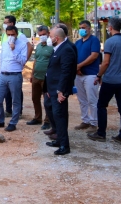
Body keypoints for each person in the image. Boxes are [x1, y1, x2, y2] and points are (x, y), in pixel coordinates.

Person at [87, 17, 121, 145]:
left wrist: (99, 75)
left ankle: (101, 133)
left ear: (111, 28)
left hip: (110, 80)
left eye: (108, 27)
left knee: (101, 105)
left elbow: (106, 62)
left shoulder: (110, 42)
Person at [43, 27, 77, 155]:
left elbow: (66, 72)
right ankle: (58, 140)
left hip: (59, 90)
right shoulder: (57, 48)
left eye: (50, 35)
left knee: (60, 116)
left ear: (56, 38)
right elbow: (51, 70)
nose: (48, 38)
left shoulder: (66, 49)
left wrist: (61, 90)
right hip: (52, 89)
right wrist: (47, 88)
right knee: (54, 114)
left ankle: (64, 145)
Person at [0, 25, 28, 132]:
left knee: (15, 101)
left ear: (16, 34)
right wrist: (0, 72)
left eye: (12, 34)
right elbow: (2, 59)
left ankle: (13, 122)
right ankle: (0, 120)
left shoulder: (22, 45)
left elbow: (23, 60)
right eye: (8, 35)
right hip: (3, 75)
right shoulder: (4, 44)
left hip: (15, 75)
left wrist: (13, 50)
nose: (11, 37)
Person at [1, 15, 32, 117]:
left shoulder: (20, 36)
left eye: (6, 23)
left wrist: (24, 62)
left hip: (16, 67)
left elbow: (29, 47)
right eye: (4, 22)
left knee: (16, 91)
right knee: (7, 91)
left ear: (12, 23)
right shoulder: (5, 35)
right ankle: (9, 110)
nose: (4, 24)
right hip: (6, 67)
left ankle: (18, 111)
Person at [74, 20, 101, 133]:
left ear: (89, 28)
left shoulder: (94, 40)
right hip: (79, 75)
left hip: (90, 74)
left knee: (92, 100)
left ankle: (94, 122)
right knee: (82, 100)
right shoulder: (78, 43)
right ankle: (85, 120)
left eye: (84, 27)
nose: (82, 29)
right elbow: (74, 56)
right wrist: (77, 69)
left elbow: (94, 56)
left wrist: (79, 66)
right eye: (80, 27)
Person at [27, 25, 53, 129]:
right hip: (37, 76)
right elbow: (36, 61)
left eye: (44, 34)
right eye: (40, 35)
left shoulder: (52, 47)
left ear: (48, 34)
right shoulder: (38, 47)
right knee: (35, 98)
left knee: (47, 100)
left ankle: (48, 120)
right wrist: (32, 74)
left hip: (47, 78)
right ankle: (37, 118)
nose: (42, 36)